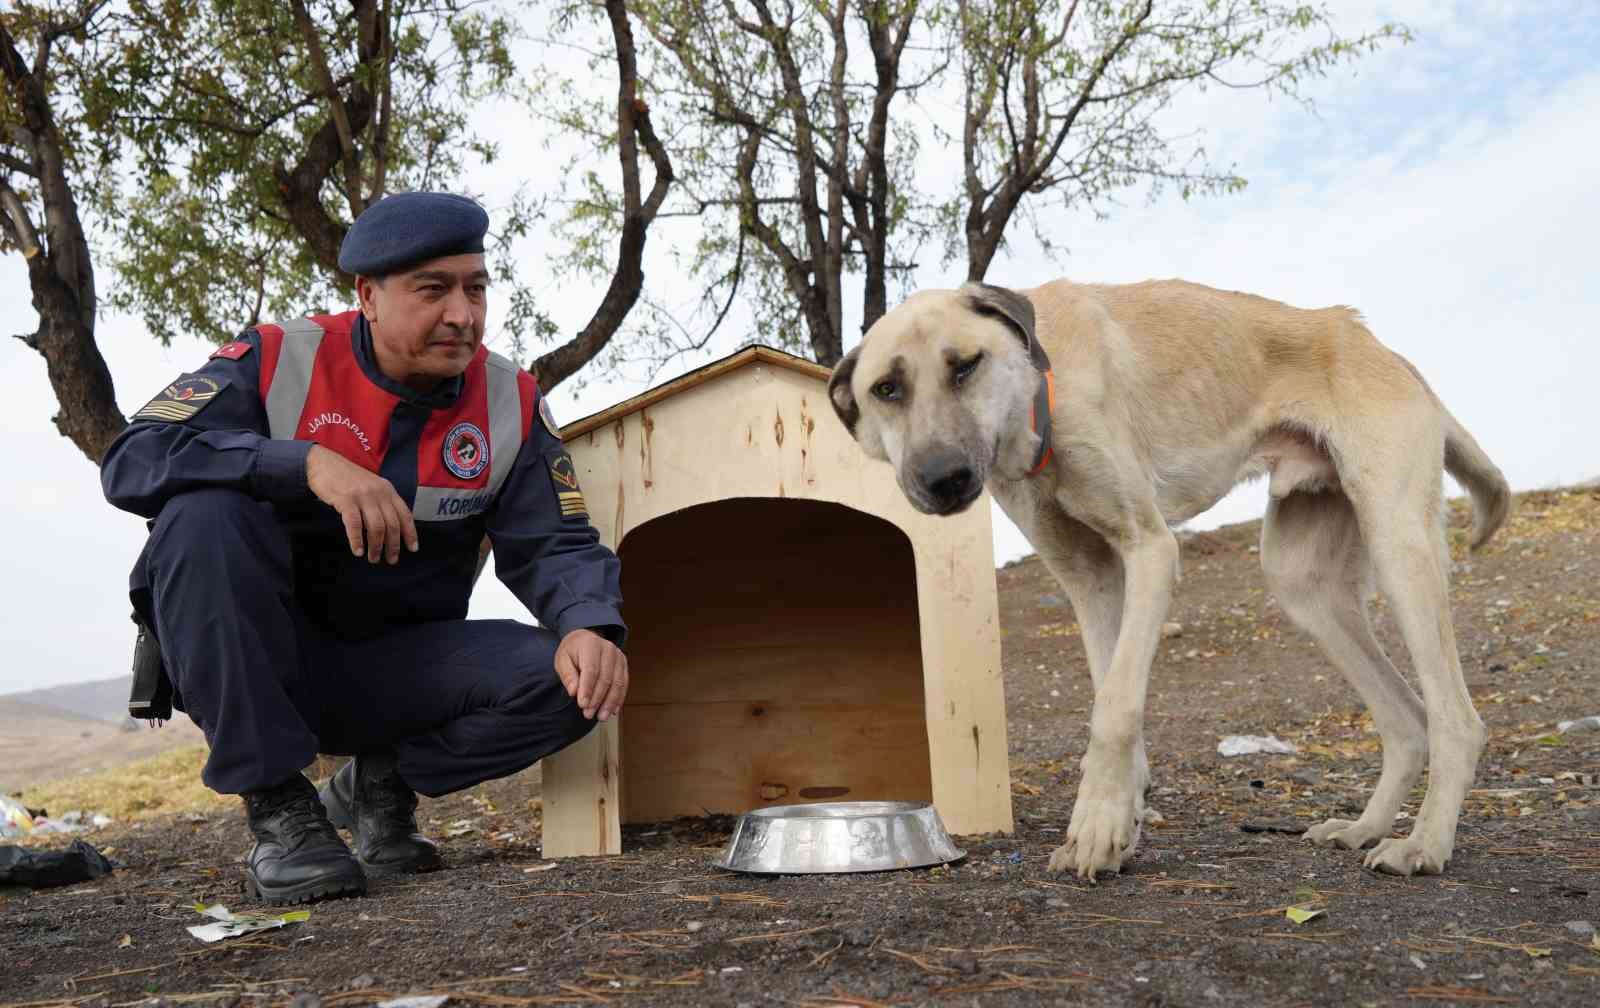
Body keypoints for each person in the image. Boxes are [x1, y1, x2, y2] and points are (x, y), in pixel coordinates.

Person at [100, 192, 629, 905]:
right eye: (433, 290)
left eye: (476, 288)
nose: (463, 314)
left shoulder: (509, 400)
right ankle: (282, 813)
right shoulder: (277, 359)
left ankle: (383, 782)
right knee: (200, 515)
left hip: (396, 670)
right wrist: (304, 463)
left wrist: (588, 621)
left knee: (577, 684)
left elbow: (556, 540)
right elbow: (133, 458)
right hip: (257, 664)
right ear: (368, 297)